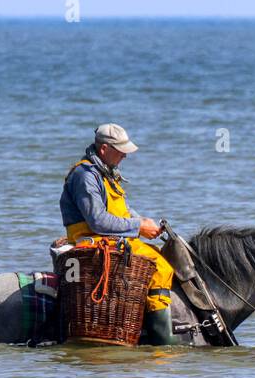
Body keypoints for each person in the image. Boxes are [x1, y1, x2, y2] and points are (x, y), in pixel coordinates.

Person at [59, 123, 177, 344]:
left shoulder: (106, 174)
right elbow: (98, 221)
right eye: (120, 150)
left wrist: (144, 223)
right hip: (95, 241)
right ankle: (164, 342)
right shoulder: (86, 176)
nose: (125, 155)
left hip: (112, 238)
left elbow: (123, 212)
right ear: (104, 149)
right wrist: (138, 228)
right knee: (161, 267)